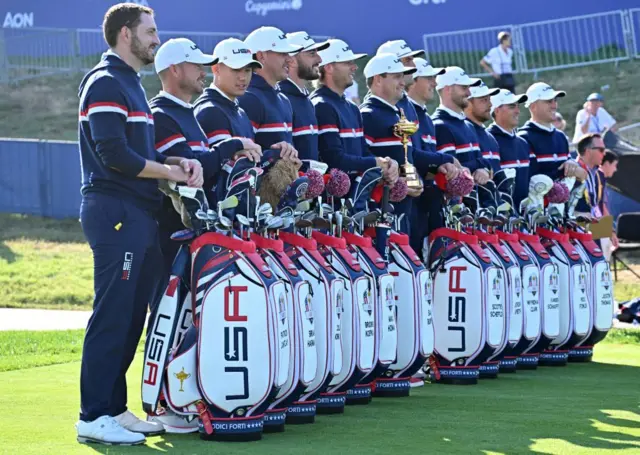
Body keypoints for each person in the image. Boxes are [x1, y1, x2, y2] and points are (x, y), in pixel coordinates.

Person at [75, 3, 203, 446]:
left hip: (137, 213)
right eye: (150, 31)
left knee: (131, 317)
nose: (156, 38)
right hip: (115, 212)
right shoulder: (106, 80)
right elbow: (114, 155)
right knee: (113, 313)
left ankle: (114, 408)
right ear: (125, 35)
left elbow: (139, 153)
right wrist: (168, 172)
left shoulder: (130, 83)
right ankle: (92, 414)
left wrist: (175, 161)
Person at [149, 38, 261, 282]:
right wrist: (233, 145)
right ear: (174, 69)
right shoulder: (161, 115)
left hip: (192, 238)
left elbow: (206, 165)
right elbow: (192, 176)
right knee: (167, 313)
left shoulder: (185, 113)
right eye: (196, 66)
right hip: (170, 237)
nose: (203, 72)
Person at [360, 53, 458, 235]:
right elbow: (363, 157)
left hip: (407, 205)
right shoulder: (367, 114)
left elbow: (410, 156)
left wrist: (442, 162)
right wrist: (392, 180)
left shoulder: (398, 114)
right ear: (377, 80)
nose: (403, 82)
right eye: (396, 77)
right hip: (379, 209)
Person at [311, 39, 399, 181]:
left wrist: (385, 163)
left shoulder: (352, 107)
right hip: (334, 200)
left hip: (356, 196)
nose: (354, 67)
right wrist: (375, 163)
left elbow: (363, 151)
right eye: (348, 63)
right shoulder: (322, 106)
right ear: (329, 68)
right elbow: (334, 160)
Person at [238, 26, 301, 159]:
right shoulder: (249, 98)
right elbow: (242, 158)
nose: (290, 59)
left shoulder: (283, 99)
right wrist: (273, 155)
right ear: (261, 56)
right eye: (282, 53)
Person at [193, 37, 263, 146]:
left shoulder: (239, 111)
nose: (243, 77)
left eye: (248, 70)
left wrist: (275, 155)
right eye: (236, 69)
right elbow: (227, 161)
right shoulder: (211, 111)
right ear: (216, 69)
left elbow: (249, 160)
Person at [432, 66, 491, 184]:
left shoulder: (469, 125)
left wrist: (483, 169)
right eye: (464, 88)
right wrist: (481, 165)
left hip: (476, 199)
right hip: (457, 201)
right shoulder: (440, 125)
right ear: (448, 89)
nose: (469, 93)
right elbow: (451, 170)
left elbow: (483, 162)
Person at [518, 82, 587, 182]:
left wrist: (573, 164)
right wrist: (567, 171)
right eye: (549, 101)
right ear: (533, 106)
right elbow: (533, 180)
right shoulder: (523, 138)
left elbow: (582, 176)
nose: (554, 105)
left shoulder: (561, 136)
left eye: (555, 100)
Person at [278, 32, 329, 160]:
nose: (319, 59)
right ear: (292, 60)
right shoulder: (282, 99)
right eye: (312, 53)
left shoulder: (306, 100)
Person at [487, 89, 530, 209]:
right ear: (496, 110)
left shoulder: (523, 143)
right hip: (501, 217)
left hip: (525, 217)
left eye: (517, 106)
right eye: (512, 106)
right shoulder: (488, 139)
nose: (517, 111)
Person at [465, 81, 501, 173]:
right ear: (468, 103)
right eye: (484, 100)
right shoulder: (463, 133)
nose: (490, 105)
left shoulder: (491, 137)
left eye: (489, 99)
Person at [599, 149, 620, 261]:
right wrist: (610, 231)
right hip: (598, 226)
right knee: (602, 262)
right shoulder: (599, 177)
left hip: (598, 226)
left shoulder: (599, 177)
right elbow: (601, 207)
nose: (615, 169)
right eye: (614, 165)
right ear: (606, 164)